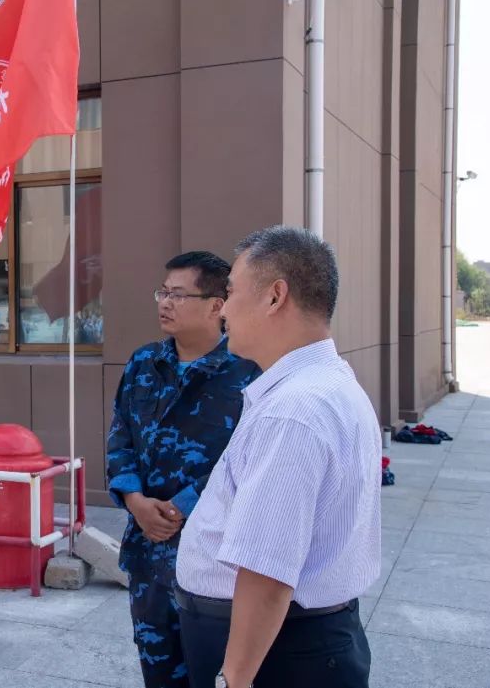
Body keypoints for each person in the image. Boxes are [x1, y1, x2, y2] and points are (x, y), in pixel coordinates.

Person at [175, 226, 381, 688]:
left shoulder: (294, 411)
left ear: (274, 296)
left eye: (229, 292)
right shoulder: (323, 385)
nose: (222, 309)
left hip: (277, 653)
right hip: (304, 641)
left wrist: (235, 679)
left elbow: (266, 572)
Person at [106, 252, 260, 688]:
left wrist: (181, 507)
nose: (165, 302)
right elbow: (120, 437)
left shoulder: (247, 371)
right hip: (148, 556)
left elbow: (249, 457)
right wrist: (135, 501)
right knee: (157, 668)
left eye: (178, 294)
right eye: (163, 292)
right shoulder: (143, 364)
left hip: (214, 558)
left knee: (214, 671)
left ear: (217, 305)